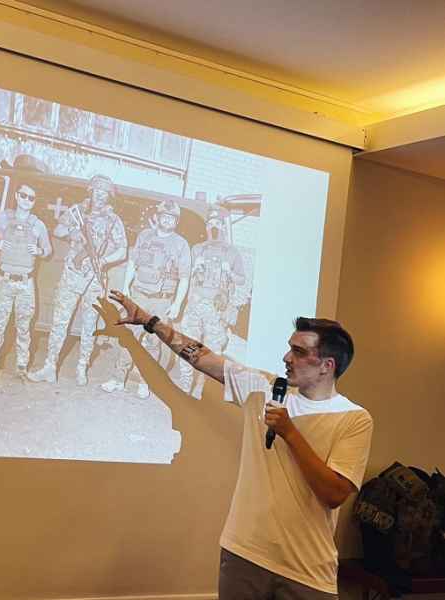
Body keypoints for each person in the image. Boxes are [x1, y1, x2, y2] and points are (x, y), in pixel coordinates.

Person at [105, 290, 373, 599]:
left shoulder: (354, 419)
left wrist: (290, 433)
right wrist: (150, 322)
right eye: (289, 348)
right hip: (244, 555)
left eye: (299, 352)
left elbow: (334, 493)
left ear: (327, 365)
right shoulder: (263, 389)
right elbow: (202, 357)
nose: (287, 358)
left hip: (306, 569)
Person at [28, 174, 127, 386]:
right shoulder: (77, 211)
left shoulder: (113, 220)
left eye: (104, 192)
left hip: (95, 279)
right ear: (91, 191)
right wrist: (73, 233)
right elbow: (58, 229)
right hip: (73, 274)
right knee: (59, 321)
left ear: (109, 196)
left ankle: (82, 367)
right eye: (97, 191)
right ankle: (49, 366)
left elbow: (122, 250)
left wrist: (104, 260)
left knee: (89, 325)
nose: (100, 195)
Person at [100, 199, 190, 398]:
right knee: (129, 338)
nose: (167, 220)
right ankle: (118, 379)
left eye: (171, 218)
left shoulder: (181, 244)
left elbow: (184, 278)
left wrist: (177, 304)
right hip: (139, 295)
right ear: (157, 217)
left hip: (161, 301)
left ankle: (144, 382)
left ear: (176, 222)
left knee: (152, 343)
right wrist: (126, 287)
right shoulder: (145, 236)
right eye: (164, 216)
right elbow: (132, 264)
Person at [0, 181, 52, 382]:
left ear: (35, 201)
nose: (27, 200)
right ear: (17, 196)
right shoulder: (2, 217)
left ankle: (21, 366)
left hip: (25, 284)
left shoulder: (38, 224)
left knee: (24, 327)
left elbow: (48, 250)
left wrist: (39, 250)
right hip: (4, 281)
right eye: (23, 195)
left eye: (31, 198)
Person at [178, 204, 246, 394]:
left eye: (217, 223)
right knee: (188, 347)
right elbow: (185, 275)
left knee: (212, 354)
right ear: (206, 227)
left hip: (217, 310)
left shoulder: (232, 252)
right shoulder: (197, 249)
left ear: (222, 226)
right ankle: (184, 387)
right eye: (210, 223)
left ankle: (204, 391)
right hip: (195, 306)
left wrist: (229, 272)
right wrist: (194, 267)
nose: (213, 227)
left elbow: (241, 280)